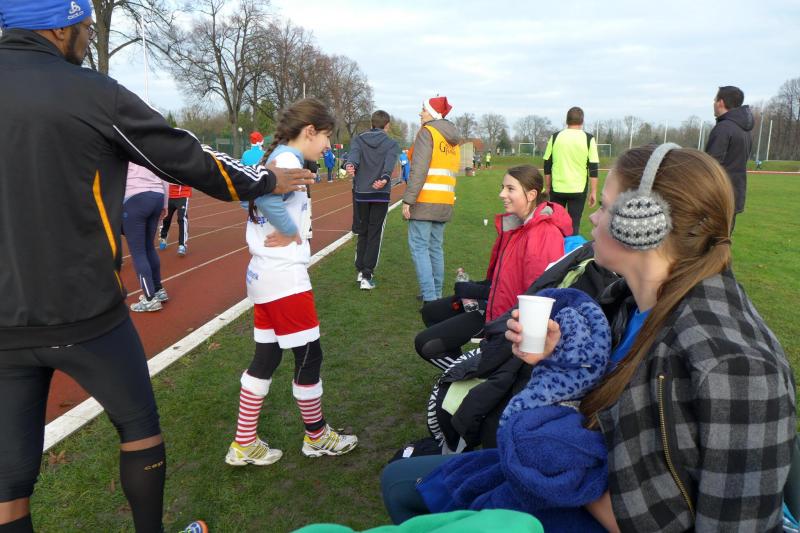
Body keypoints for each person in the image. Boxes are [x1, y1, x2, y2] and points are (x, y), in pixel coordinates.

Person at [0, 3, 313, 531]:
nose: (89, 36)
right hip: (85, 312)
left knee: (8, 480)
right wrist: (264, 181)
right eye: (84, 26)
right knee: (139, 429)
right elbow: (183, 154)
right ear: (57, 26)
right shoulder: (91, 92)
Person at [506, 144, 795, 531]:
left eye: (604, 207)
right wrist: (560, 356)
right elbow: (606, 402)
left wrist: (571, 479)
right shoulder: (626, 304)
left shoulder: (735, 367)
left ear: (643, 223)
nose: (592, 217)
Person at [226, 98, 358, 467]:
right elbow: (267, 201)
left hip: (263, 274)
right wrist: (287, 229)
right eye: (327, 137)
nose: (328, 146)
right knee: (309, 356)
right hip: (283, 277)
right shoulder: (287, 160)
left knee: (267, 357)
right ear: (310, 131)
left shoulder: (276, 158)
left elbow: (248, 197)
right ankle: (317, 436)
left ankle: (244, 442)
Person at [415, 165, 572, 369]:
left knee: (426, 344)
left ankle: (471, 373)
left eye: (510, 189)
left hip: (505, 320)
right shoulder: (517, 225)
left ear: (531, 195)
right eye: (502, 187)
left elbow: (536, 298)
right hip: (494, 305)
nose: (502, 194)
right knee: (431, 311)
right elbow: (504, 279)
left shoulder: (542, 234)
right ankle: (469, 366)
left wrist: (479, 293)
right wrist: (477, 288)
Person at [402, 96, 461, 304]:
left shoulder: (427, 132)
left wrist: (408, 200)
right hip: (445, 201)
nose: (421, 113)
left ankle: (430, 296)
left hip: (425, 200)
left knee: (420, 248)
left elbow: (419, 170)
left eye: (424, 110)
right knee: (435, 248)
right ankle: (436, 294)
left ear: (434, 113)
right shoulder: (452, 139)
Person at [345, 110, 400, 290]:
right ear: (387, 125)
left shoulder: (358, 139)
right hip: (380, 195)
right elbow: (389, 164)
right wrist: (384, 178)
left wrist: (350, 165)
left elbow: (353, 157)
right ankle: (367, 275)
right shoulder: (391, 143)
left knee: (363, 231)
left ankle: (360, 270)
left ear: (371, 123)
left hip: (361, 193)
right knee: (375, 233)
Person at [543, 106, 600, 235]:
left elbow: (547, 164)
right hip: (578, 190)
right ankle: (572, 247)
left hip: (557, 189)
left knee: (555, 225)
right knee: (574, 225)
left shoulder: (555, 137)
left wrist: (548, 187)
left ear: (566, 120)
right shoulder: (588, 138)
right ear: (582, 121)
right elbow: (593, 167)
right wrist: (593, 191)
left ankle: (555, 247)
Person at [705, 85, 753, 230]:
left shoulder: (724, 128)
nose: (713, 103)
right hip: (734, 194)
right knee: (724, 239)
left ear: (721, 102)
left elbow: (710, 166)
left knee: (709, 240)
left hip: (718, 197)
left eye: (715, 100)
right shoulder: (745, 130)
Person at [124, 163, 170, 312]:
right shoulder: (154, 150)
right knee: (149, 247)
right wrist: (165, 204)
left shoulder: (124, 151)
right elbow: (164, 175)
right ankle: (158, 290)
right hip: (157, 196)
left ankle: (149, 299)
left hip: (134, 198)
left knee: (138, 252)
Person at [158, 182, 192, 257]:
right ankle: (163, 237)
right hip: (169, 195)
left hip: (183, 195)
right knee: (166, 218)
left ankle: (182, 245)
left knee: (181, 218)